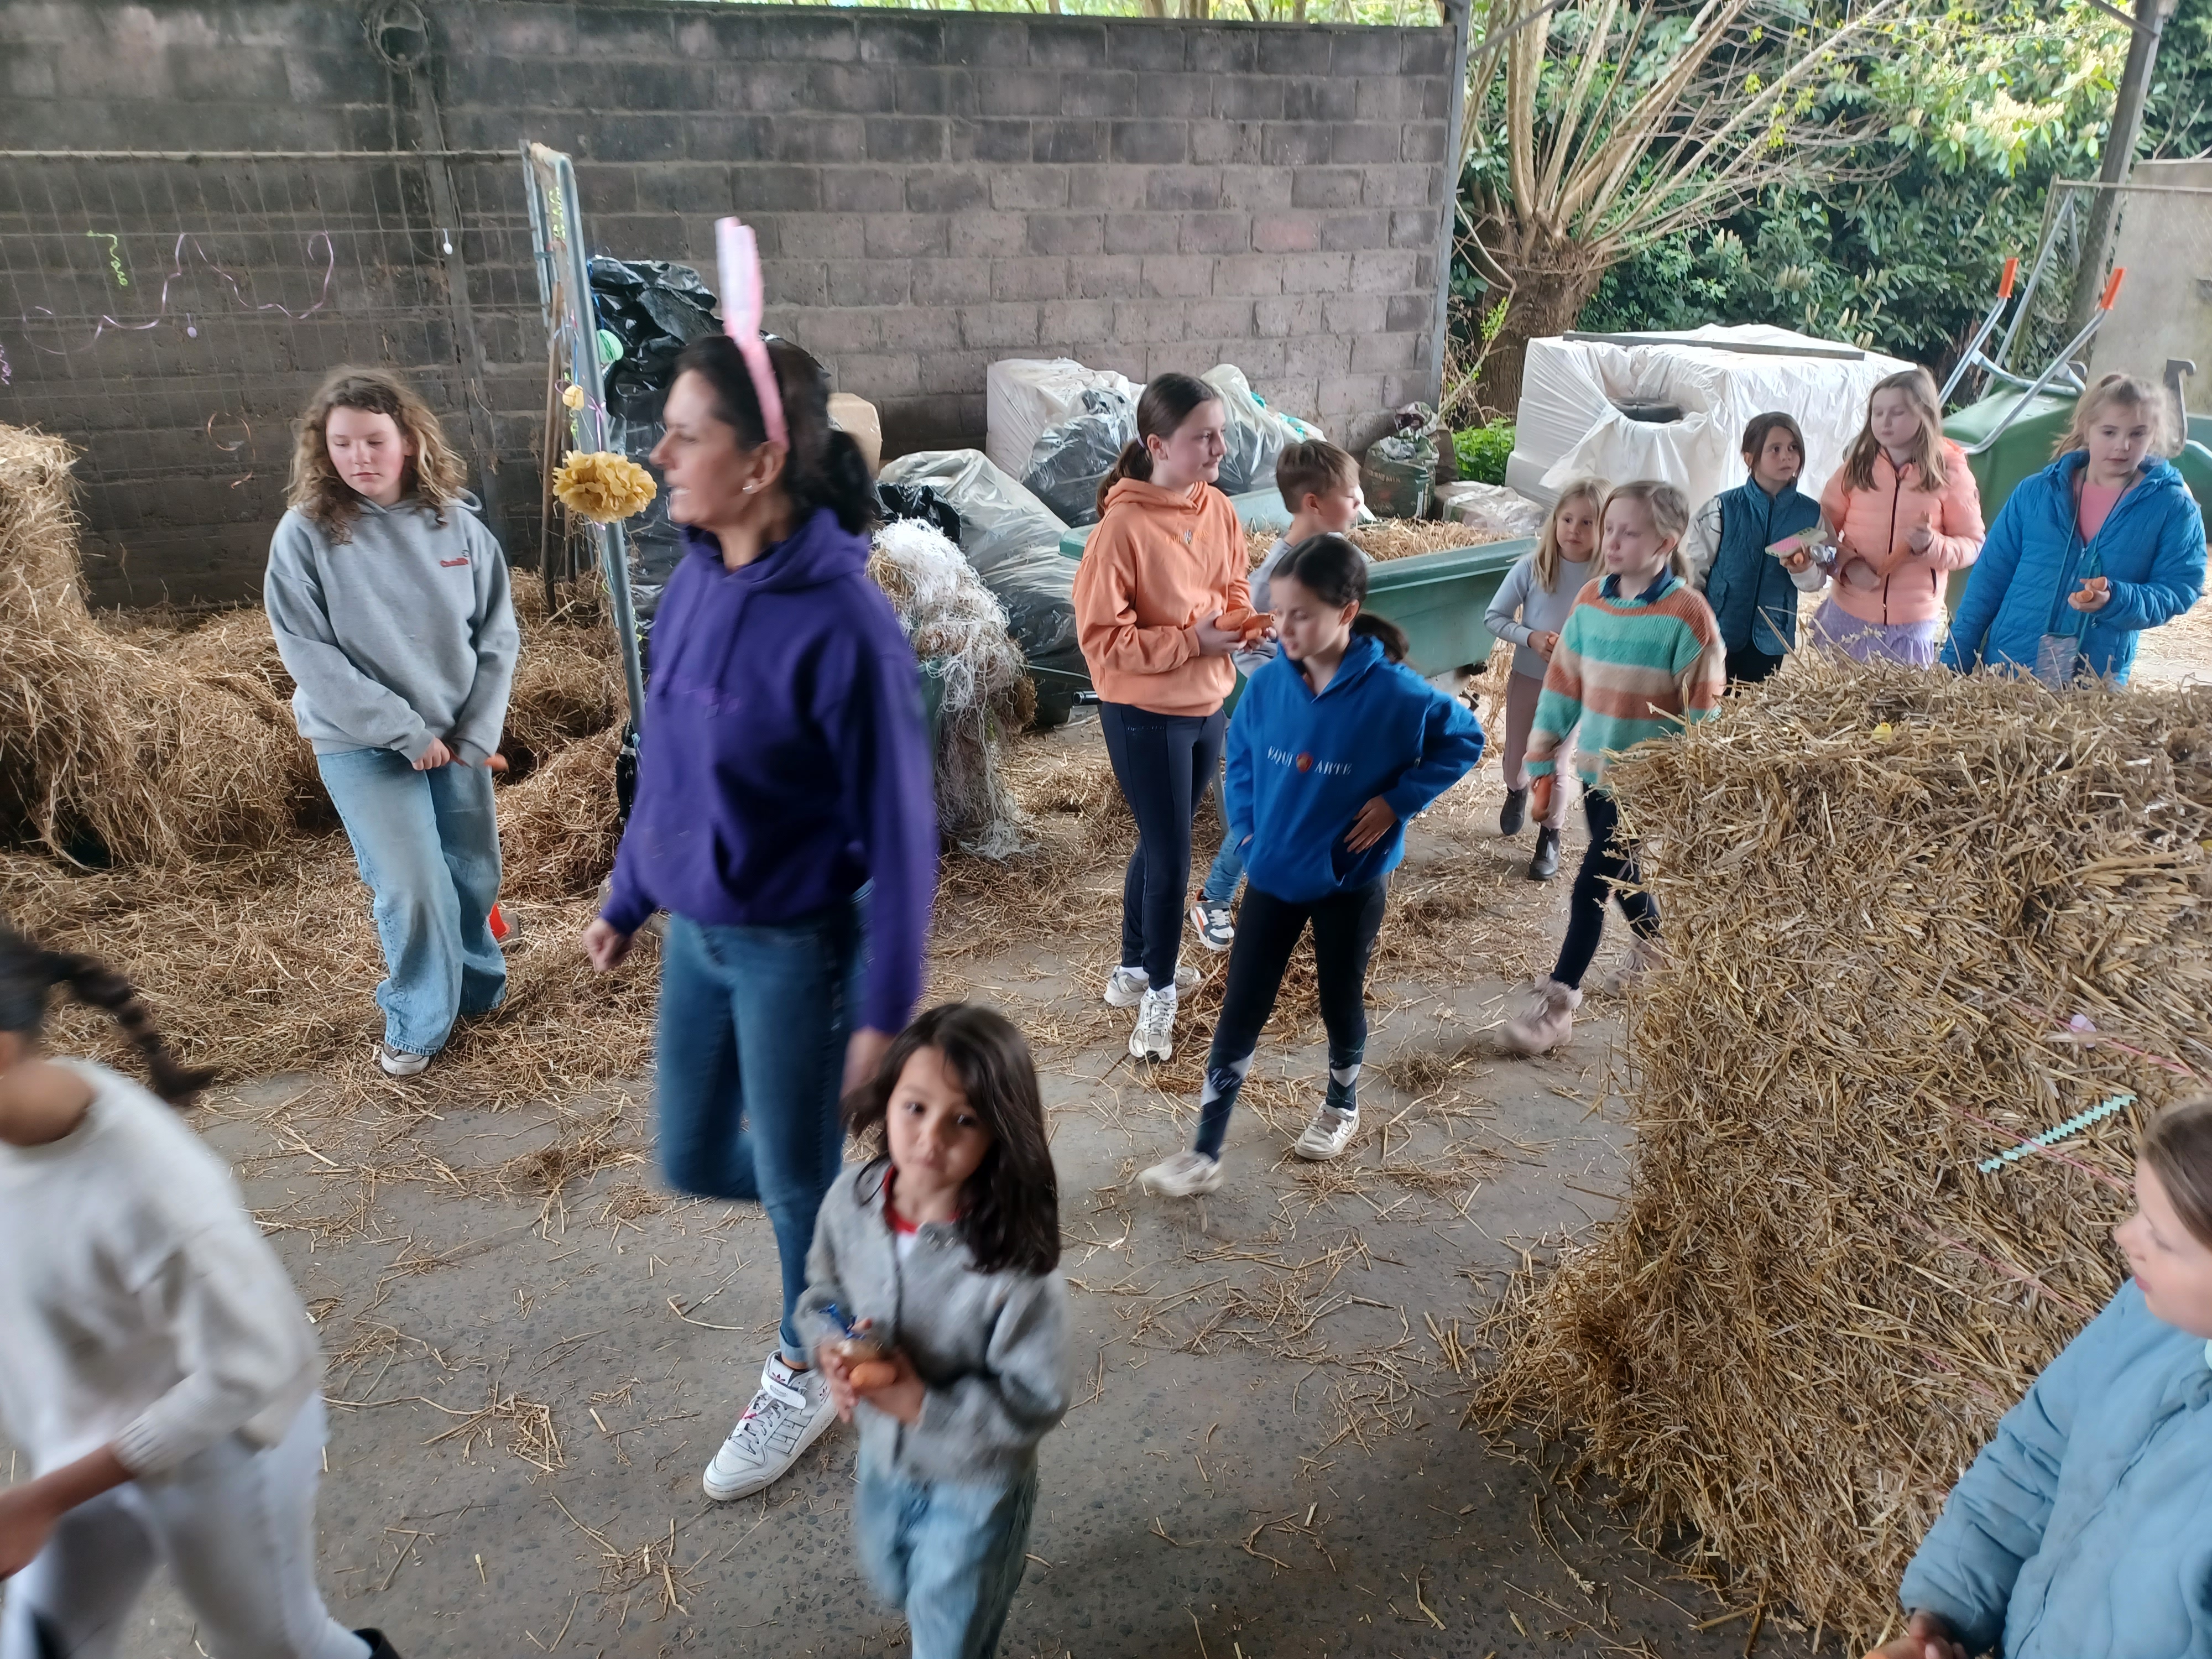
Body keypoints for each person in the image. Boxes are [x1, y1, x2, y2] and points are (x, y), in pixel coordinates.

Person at [582, 332, 938, 1504]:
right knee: (689, 1155)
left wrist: (883, 1013)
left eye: (687, 433)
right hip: (696, 936)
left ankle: (808, 1351)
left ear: (761, 462)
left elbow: (900, 835)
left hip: (794, 947)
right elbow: (671, 763)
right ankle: (860, 1233)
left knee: (790, 1175)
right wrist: (628, 896)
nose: (658, 453)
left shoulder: (847, 627)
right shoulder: (693, 577)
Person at [0, 929, 401, 1659]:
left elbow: (255, 1367)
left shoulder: (145, 1188)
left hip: (222, 1447)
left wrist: (47, 1499)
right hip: (79, 1438)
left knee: (272, 1644)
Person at [1139, 535, 1484, 1196]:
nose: (1281, 627)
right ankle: (1204, 1151)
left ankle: (1341, 1103)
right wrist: (1246, 828)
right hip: (1273, 870)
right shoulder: (1268, 685)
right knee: (1241, 1005)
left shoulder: (1397, 694)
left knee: (1337, 995)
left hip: (1349, 878)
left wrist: (1397, 801)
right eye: (1278, 611)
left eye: (1300, 613)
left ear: (1346, 612)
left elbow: (1466, 739)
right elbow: (1238, 753)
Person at [1865, 1095, 2212, 1659]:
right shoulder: (2149, 1320)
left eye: (2161, 1237)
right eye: (2140, 1213)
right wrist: (1937, 1624)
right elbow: (2035, 1458)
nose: (2124, 1237)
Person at [265, 367, 519, 1079]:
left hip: (457, 741)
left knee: (472, 875)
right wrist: (406, 733)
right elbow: (308, 654)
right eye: (342, 443)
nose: (359, 457)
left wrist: (475, 733)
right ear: (324, 449)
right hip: (366, 745)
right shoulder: (305, 537)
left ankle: (478, 990)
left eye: (374, 441)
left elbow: (498, 637)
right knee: (412, 886)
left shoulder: (458, 527)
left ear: (409, 442)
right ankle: (416, 1019)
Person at [799, 1004, 1067, 1659]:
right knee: (895, 1580)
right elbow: (821, 1297)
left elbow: (1035, 1399)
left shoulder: (1015, 1267)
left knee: (949, 1632)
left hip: (976, 1485)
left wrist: (921, 1404)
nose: (929, 1138)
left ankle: (983, 1586)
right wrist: (830, 1348)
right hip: (885, 1462)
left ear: (999, 1135)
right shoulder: (850, 1203)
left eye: (964, 1120)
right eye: (915, 1107)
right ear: (887, 1100)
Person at [1500, 482, 1723, 1055]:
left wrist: (1698, 783)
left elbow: (1703, 707)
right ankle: (1655, 944)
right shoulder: (1592, 601)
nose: (1612, 540)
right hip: (1598, 771)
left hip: (1649, 779)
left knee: (1591, 883)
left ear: (1665, 542)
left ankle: (1558, 1003)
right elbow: (1563, 685)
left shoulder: (1685, 615)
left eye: (1629, 531)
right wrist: (1542, 755)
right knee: (1621, 871)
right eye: (1610, 528)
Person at [1072, 373, 1252, 1062]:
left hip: (1207, 702)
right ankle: (1157, 998)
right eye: (1204, 437)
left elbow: (1233, 580)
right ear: (1158, 445)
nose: (1219, 448)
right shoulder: (1121, 530)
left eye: (1221, 433)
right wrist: (1192, 641)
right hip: (1145, 711)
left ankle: (1131, 968)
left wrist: (1240, 624)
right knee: (1174, 853)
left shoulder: (1218, 509)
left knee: (1159, 838)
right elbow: (1102, 642)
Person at [1189, 438, 1365, 952]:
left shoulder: (1343, 560)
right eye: (1351, 496)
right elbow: (1250, 646)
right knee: (1269, 806)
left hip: (1326, 708)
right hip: (1284, 713)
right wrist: (1288, 684)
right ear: (1314, 503)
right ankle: (1214, 897)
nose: (1359, 505)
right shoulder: (1277, 576)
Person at [1940, 371, 2208, 687]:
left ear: (2154, 436)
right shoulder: (2036, 493)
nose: (2122, 446)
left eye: (2138, 434)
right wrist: (1955, 658)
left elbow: (2180, 589)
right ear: (2087, 428)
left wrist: (2117, 599)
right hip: (2009, 673)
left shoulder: (2173, 508)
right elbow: (1989, 579)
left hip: (2092, 683)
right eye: (2109, 432)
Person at [1796, 368, 1984, 667]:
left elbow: (1973, 544)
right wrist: (1845, 565)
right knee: (1843, 704)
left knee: (1897, 709)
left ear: (1923, 414)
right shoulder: (1856, 467)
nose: (1884, 422)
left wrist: (1931, 545)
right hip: (1851, 608)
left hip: (1912, 619)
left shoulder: (1950, 472)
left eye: (1897, 412)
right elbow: (1818, 530)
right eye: (1878, 412)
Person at [1485, 475, 1605, 881]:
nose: (1574, 529)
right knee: (1518, 755)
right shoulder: (1533, 566)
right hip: (1528, 675)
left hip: (1574, 689)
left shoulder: (1607, 581)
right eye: (1567, 519)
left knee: (1556, 762)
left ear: (1604, 529)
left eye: (1587, 522)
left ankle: (1550, 836)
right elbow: (1494, 617)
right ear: (1555, 521)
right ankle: (1516, 789)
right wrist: (1531, 637)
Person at [1687, 411, 1823, 687]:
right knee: (1712, 699)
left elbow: (1817, 580)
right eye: (1775, 449)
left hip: (1772, 634)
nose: (1786, 456)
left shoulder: (1811, 514)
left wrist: (1804, 569)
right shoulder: (1722, 508)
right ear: (1750, 458)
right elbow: (1696, 566)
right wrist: (1692, 616)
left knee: (1754, 705)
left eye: (1793, 448)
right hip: (1719, 628)